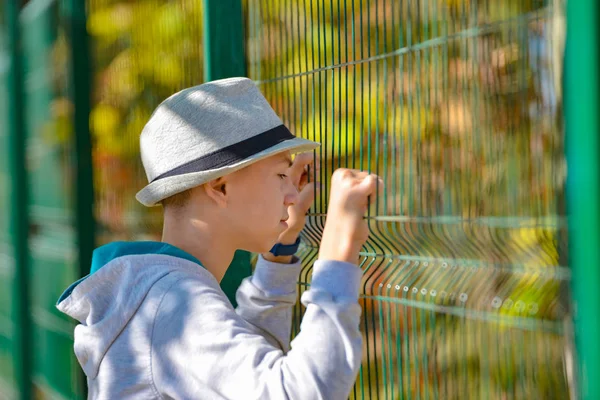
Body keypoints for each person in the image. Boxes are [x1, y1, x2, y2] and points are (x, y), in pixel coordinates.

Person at [57, 77, 382, 399]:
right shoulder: (173, 303)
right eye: (281, 174)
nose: (292, 195)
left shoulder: (154, 292)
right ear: (220, 187)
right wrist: (339, 249)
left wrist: (281, 250)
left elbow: (244, 375)